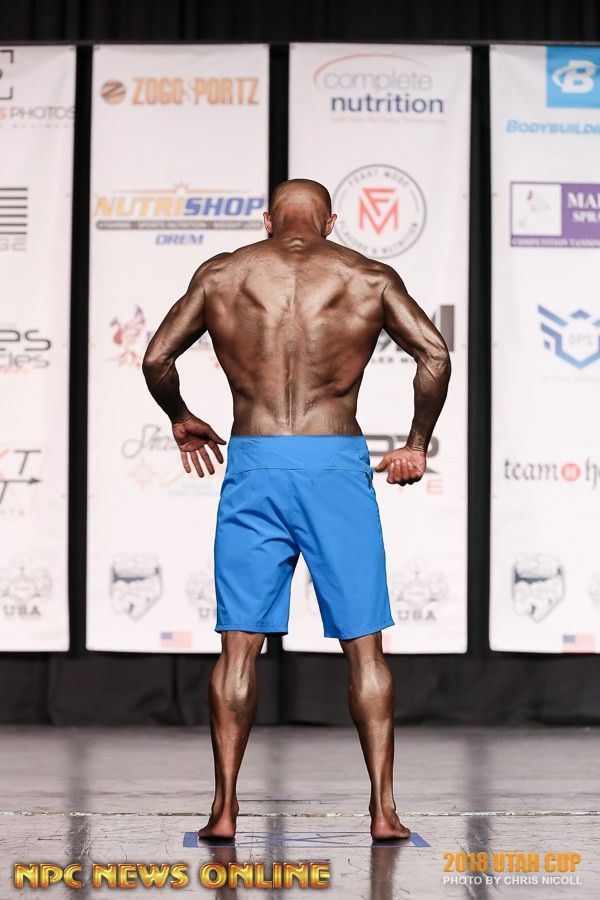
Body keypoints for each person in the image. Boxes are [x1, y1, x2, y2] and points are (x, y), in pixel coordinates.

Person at [142, 179, 451, 841]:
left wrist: (181, 416)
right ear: (331, 222)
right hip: (333, 463)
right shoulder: (367, 276)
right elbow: (435, 353)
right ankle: (384, 812)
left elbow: (157, 357)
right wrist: (416, 444)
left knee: (239, 648)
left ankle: (223, 811)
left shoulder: (223, 274)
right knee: (364, 648)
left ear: (267, 219)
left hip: (255, 461)